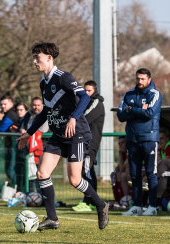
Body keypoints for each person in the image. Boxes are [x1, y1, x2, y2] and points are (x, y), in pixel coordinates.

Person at [17, 42, 109, 230]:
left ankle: (101, 205)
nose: (35, 61)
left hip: (77, 134)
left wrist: (74, 118)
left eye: (38, 57)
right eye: (34, 57)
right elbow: (45, 111)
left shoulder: (63, 77)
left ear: (49, 58)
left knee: (75, 180)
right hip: (58, 134)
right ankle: (52, 218)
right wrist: (29, 133)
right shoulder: (43, 82)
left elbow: (84, 97)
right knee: (42, 173)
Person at [117, 68, 162, 216]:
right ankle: (136, 206)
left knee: (151, 173)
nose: (140, 81)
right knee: (134, 175)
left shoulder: (155, 94)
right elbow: (120, 115)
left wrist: (131, 109)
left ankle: (153, 206)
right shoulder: (128, 94)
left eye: (143, 79)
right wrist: (137, 110)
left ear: (149, 80)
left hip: (149, 138)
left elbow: (149, 113)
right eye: (138, 78)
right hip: (132, 140)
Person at [73, 80, 105, 212]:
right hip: (82, 141)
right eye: (85, 90)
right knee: (85, 171)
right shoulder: (85, 102)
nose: (86, 93)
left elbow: (83, 118)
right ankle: (89, 201)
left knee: (87, 171)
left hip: (91, 142)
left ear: (95, 91)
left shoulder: (96, 103)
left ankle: (89, 202)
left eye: (89, 91)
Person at [0, 95, 19, 185]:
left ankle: (19, 188)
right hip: (9, 146)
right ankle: (17, 188)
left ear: (11, 104)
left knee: (10, 170)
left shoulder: (11, 114)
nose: (3, 106)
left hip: (14, 146)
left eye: (5, 104)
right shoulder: (7, 114)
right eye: (2, 104)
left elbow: (0, 130)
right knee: (8, 170)